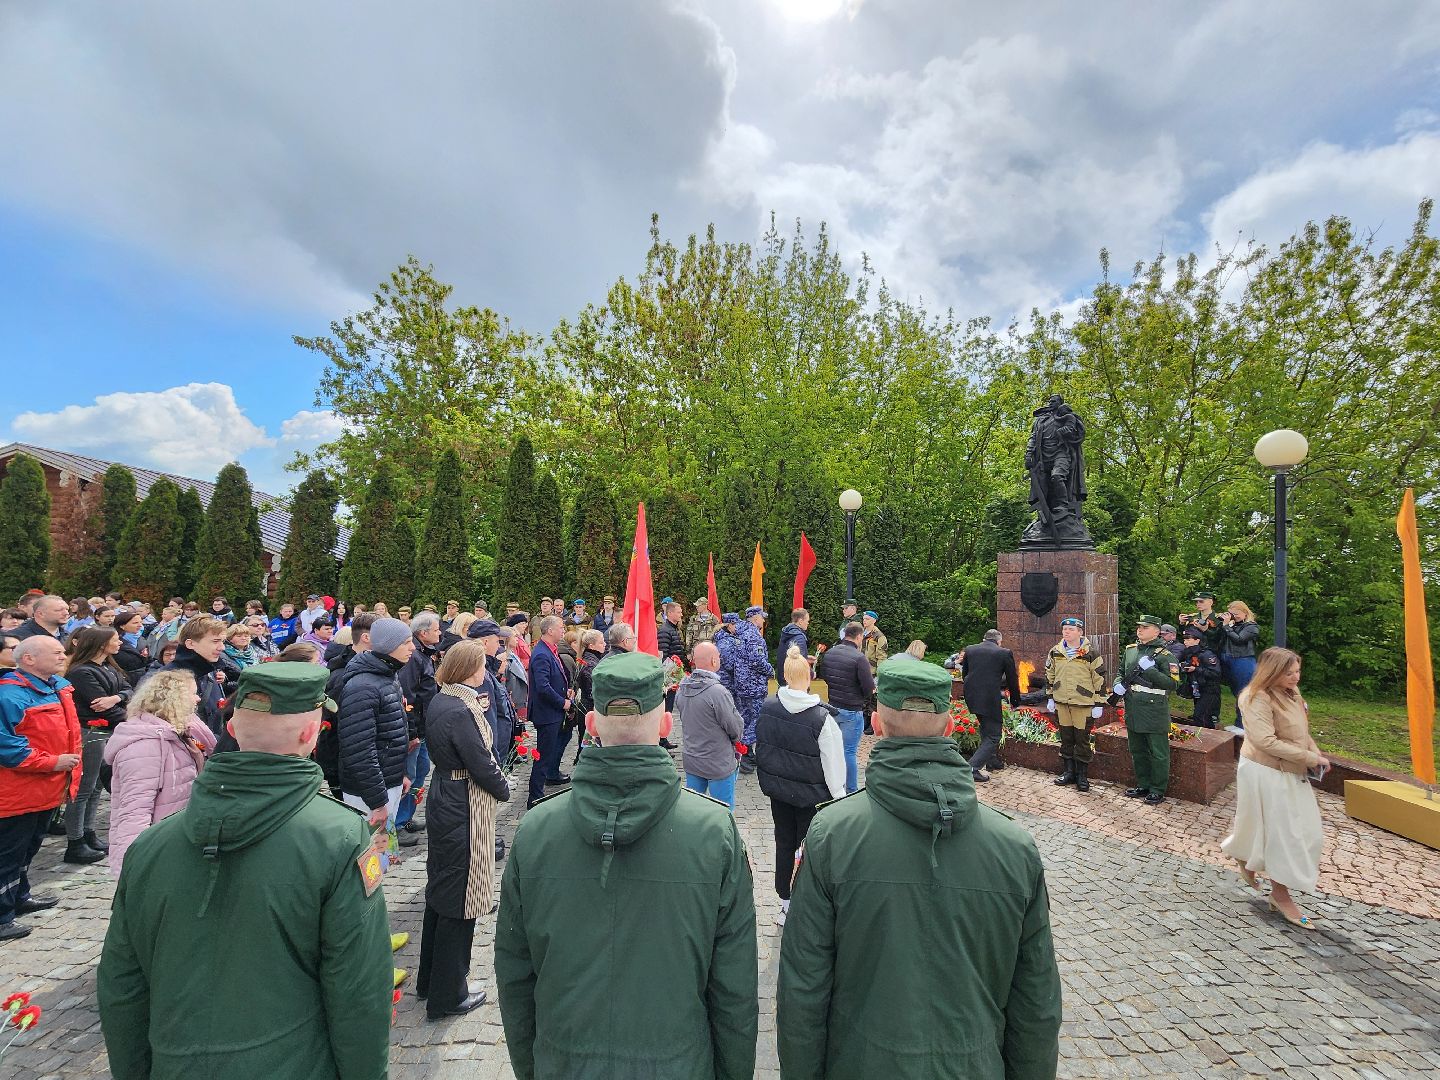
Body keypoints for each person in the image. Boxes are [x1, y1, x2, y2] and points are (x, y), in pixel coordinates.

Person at [97, 662, 393, 1078]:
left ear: (231, 730)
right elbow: (358, 986)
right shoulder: (341, 838)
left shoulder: (150, 845)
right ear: (310, 734)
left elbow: (122, 986)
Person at [777, 657, 1062, 1078]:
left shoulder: (831, 835)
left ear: (876, 724)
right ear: (950, 728)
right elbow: (1036, 1003)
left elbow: (803, 989)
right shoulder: (1015, 847)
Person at [495, 650, 758, 1079]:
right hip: (677, 1063)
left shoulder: (536, 830)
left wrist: (536, 1067)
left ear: (592, 725)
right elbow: (734, 991)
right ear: (667, 723)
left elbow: (514, 977)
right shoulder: (716, 833)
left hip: (564, 1063)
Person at [417, 640, 511, 1018]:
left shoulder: (445, 699)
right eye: (480, 664)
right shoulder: (460, 709)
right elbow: (480, 762)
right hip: (463, 803)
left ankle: (431, 981)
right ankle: (449, 995)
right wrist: (503, 788)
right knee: (462, 895)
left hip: (447, 793)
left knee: (442, 888)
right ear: (468, 668)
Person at [1220, 647, 1329, 929]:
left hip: (1292, 770)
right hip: (1266, 771)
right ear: (1272, 672)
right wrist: (1309, 758)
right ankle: (1281, 894)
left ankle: (1244, 854)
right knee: (1284, 833)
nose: (1296, 677)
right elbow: (1264, 741)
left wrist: (1315, 755)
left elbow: (1303, 733)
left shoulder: (1292, 695)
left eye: (1297, 671)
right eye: (1289, 672)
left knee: (1303, 832)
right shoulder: (1255, 698)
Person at [755, 645, 845, 926]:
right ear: (810, 677)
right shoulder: (822, 719)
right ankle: (806, 905)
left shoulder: (768, 706)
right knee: (807, 851)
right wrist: (839, 798)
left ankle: (784, 903)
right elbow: (834, 766)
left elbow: (762, 747)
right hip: (812, 798)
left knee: (784, 844)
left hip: (779, 793)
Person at [0, 636, 82, 941]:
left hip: (47, 788)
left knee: (27, 850)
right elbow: (7, 747)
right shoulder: (10, 696)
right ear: (29, 659)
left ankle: (19, 898)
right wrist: (52, 762)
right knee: (8, 855)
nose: (63, 655)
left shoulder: (57, 688)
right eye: (56, 652)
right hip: (17, 792)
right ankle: (2, 915)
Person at [103, 669, 216, 877]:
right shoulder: (144, 746)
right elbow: (135, 809)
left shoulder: (180, 734)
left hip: (175, 837)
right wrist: (133, 867)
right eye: (193, 693)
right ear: (176, 699)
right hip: (158, 845)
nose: (198, 698)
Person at [333, 618, 413, 828]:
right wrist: (377, 802)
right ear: (388, 645)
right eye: (406, 642)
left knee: (384, 853)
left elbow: (391, 734)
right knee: (370, 856)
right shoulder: (362, 686)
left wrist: (399, 775)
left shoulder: (387, 675)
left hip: (388, 783)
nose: (412, 648)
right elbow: (359, 750)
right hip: (368, 794)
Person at [62, 627, 134, 862]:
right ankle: (75, 840)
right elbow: (97, 703)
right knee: (84, 787)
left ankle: (89, 832)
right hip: (91, 731)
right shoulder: (81, 672)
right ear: (101, 644)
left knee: (96, 788)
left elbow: (128, 688)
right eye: (115, 639)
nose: (120, 642)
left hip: (107, 730)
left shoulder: (108, 667)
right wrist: (130, 718)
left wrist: (117, 697)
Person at [1114, 615, 1182, 805]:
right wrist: (1118, 684)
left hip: (1154, 709)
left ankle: (1157, 789)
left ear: (1156, 631)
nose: (1140, 630)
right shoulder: (1130, 650)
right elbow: (1121, 672)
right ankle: (1143, 784)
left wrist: (1151, 671)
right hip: (1133, 707)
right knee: (1137, 750)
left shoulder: (1165, 656)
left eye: (1145, 627)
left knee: (1158, 752)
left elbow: (1173, 684)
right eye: (1139, 627)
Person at [676, 640, 745, 808]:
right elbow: (735, 728)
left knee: (694, 810)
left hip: (692, 759)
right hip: (717, 762)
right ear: (714, 661)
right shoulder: (718, 692)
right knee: (723, 811)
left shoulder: (682, 688)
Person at [1044, 617, 1107, 793]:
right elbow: (1050, 674)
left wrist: (1099, 703)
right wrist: (1050, 697)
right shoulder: (1055, 651)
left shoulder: (1090, 653)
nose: (1067, 632)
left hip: (1083, 703)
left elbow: (1099, 678)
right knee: (1066, 738)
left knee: (1082, 740)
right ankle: (1068, 772)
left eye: (1071, 629)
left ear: (1080, 632)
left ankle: (1082, 776)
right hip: (1062, 702)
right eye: (1065, 629)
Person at [397, 613, 442, 840]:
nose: (440, 633)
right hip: (414, 729)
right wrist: (412, 732)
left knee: (421, 772)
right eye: (436, 630)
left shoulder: (424, 653)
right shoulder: (413, 656)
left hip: (424, 727)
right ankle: (398, 824)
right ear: (423, 633)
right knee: (408, 773)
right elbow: (407, 697)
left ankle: (407, 817)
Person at [818, 622, 873, 794]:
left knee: (832, 749)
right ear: (859, 637)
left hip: (833, 707)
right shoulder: (859, 658)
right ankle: (851, 790)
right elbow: (868, 687)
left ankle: (831, 784)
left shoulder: (831, 653)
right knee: (848, 752)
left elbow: (825, 676)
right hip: (851, 709)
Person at [962, 629, 1022, 783]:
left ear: (984, 638)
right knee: (994, 735)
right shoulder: (1004, 653)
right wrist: (1015, 701)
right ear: (999, 641)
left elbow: (965, 674)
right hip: (989, 698)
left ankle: (991, 760)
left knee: (986, 728)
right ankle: (972, 768)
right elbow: (1012, 679)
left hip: (972, 695)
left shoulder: (970, 649)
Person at [526, 615, 573, 806]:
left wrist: (565, 689)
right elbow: (543, 687)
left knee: (548, 753)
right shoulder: (541, 654)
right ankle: (535, 796)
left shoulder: (550, 650)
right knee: (543, 756)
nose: (564, 630)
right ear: (550, 630)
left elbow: (554, 678)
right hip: (547, 713)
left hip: (552, 712)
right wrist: (563, 702)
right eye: (561, 627)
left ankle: (539, 790)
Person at [161, 617, 228, 742]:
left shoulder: (209, 670)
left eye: (222, 641)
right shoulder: (170, 678)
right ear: (190, 644)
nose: (222, 647)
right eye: (215, 641)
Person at [731, 605, 774, 772]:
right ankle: (744, 749)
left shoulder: (740, 634)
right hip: (753, 686)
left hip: (743, 684)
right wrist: (771, 671)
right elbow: (757, 661)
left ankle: (746, 755)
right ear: (755, 618)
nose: (763, 620)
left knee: (746, 719)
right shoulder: (753, 636)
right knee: (757, 720)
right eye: (762, 617)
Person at [1222, 600, 1261, 725]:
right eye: (1231, 614)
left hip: (1243, 660)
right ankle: (1241, 722)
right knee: (1236, 692)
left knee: (1244, 692)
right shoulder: (1232, 625)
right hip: (1228, 659)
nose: (1234, 616)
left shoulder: (1251, 626)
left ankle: (1242, 724)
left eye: (1237, 614)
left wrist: (1226, 627)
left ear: (1245, 613)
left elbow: (1239, 639)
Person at [1179, 624, 1223, 728]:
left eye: (1188, 639)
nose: (1185, 641)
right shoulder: (1189, 653)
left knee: (1201, 716)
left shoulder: (1207, 654)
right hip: (1197, 688)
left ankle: (1209, 740)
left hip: (1209, 690)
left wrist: (1196, 669)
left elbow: (1216, 673)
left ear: (1197, 640)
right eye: (1184, 639)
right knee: (1200, 717)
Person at [1181, 591, 1226, 659]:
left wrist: (1205, 630)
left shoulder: (1219, 618)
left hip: (1212, 653)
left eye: (1201, 602)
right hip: (1193, 653)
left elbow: (1219, 638)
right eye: (1197, 602)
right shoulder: (1192, 617)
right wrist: (1181, 624)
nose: (1198, 604)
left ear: (1211, 602)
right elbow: (1185, 635)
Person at [776, 607, 811, 675]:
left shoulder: (786, 633)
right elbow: (798, 663)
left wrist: (807, 657)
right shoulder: (799, 637)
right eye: (807, 621)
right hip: (794, 680)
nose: (808, 623)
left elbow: (788, 655)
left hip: (784, 676)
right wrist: (811, 673)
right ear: (800, 621)